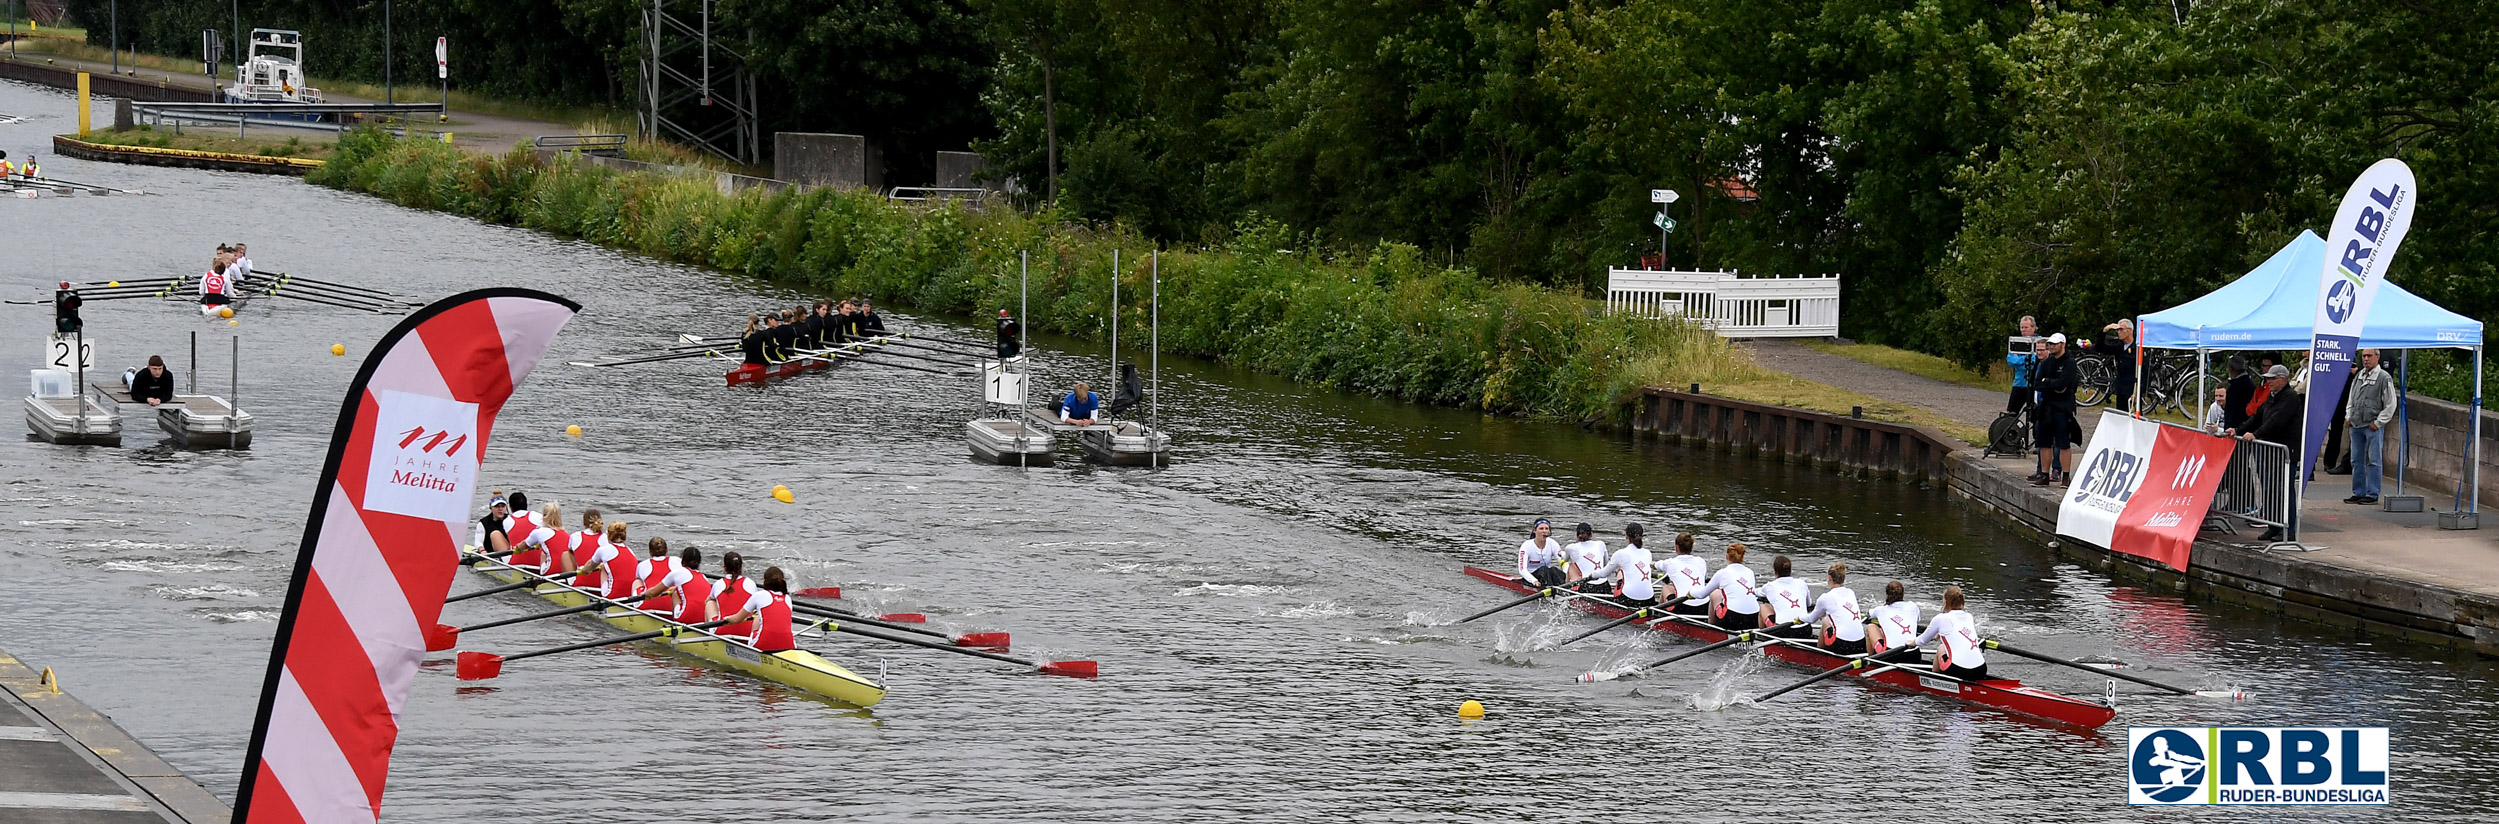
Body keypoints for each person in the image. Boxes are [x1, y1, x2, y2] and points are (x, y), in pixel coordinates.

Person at [2229, 364, 2305, 541]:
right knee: (2269, 490)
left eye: (2272, 378)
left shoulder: (2290, 398)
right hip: (2271, 450)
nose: (2268, 382)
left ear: (2282, 379)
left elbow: (2276, 421)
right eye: (2267, 378)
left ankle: (2289, 530)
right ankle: (2273, 526)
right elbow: (2257, 417)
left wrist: (2256, 434)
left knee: (2283, 490)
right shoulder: (2272, 397)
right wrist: (2238, 430)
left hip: (2285, 452)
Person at [2345, 349, 2398, 505]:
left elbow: (2390, 404)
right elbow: (2351, 398)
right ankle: (2358, 491)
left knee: (2374, 460)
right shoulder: (2359, 375)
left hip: (2371, 424)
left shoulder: (2383, 377)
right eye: (2364, 356)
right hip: (2356, 423)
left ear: (2377, 357)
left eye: (2369, 356)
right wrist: (2348, 416)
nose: (2366, 359)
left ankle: (2372, 493)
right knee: (2356, 460)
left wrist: (2379, 422)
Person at [2030, 333, 2079, 486]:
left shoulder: (2069, 363)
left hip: (2063, 408)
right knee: (2043, 442)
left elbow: (2064, 384)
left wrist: (2048, 383)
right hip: (2046, 406)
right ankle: (2044, 474)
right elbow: (2036, 383)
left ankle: (2065, 475)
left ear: (2062, 344)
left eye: (2054, 344)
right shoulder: (2046, 363)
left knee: (2063, 442)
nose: (2051, 346)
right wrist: (2052, 384)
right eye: (2050, 344)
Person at [1911, 585, 1988, 680]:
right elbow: (1958, 631)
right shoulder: (1969, 616)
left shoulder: (1941, 618)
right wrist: (1940, 633)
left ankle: (1933, 679)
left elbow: (1922, 641)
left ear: (1946, 601)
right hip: (1981, 669)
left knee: (1941, 648)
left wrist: (1911, 643)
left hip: (1959, 670)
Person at [719, 566, 798, 652]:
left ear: (765, 581)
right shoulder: (787, 598)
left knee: (757, 617)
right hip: (789, 646)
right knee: (760, 616)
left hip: (762, 645)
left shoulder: (759, 595)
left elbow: (736, 620)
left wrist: (726, 619)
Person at [1688, 542, 1761, 630]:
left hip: (1732, 619)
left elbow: (1701, 595)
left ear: (1727, 557)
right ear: (1742, 558)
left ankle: (1711, 626)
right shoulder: (1750, 572)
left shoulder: (1722, 573)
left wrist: (1690, 593)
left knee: (1715, 593)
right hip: (1753, 619)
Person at [1798, 563, 1867, 654]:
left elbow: (1811, 619)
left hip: (1842, 644)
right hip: (1860, 643)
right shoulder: (1851, 592)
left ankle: (1819, 653)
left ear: (1829, 578)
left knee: (1826, 620)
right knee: (1830, 619)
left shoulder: (1826, 597)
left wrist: (1799, 618)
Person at [1585, 524, 1657, 607]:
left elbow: (1604, 574)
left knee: (1620, 572)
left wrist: (1592, 575)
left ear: (1626, 536)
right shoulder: (1648, 553)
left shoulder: (1620, 554)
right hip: (1650, 600)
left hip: (1629, 600)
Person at [1865, 581, 1922, 664]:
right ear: (1903, 594)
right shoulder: (1913, 606)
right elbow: (1917, 621)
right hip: (1914, 655)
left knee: (1871, 627)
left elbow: (1869, 614)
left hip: (1891, 656)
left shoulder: (1880, 610)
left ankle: (1871, 660)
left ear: (1887, 595)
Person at [1757, 555, 1813, 638]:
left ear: (1775, 572)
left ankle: (1762, 637)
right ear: (1790, 570)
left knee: (1763, 607)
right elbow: (1809, 604)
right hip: (1805, 630)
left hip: (1783, 631)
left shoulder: (1770, 586)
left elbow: (1756, 592)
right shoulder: (1801, 583)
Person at [629, 537, 688, 613]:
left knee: (637, 582)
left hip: (647, 606)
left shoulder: (643, 565)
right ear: (667, 550)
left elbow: (637, 577)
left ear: (649, 552)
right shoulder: (677, 561)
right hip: (671, 607)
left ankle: (635, 606)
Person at [1660, 532, 1711, 617]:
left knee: (1666, 588)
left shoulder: (1671, 563)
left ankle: (1658, 615)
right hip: (1704, 608)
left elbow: (1655, 565)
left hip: (1683, 608)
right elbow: (1704, 578)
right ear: (1692, 547)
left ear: (1676, 547)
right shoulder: (1701, 561)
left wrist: (1651, 564)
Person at [2100, 319, 2138, 412]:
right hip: (2121, 387)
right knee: (2120, 416)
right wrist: (2105, 330)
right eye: (2117, 330)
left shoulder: (2137, 349)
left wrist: (2138, 392)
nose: (2118, 332)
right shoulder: (2120, 347)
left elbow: (2144, 372)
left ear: (2129, 330)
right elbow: (2100, 347)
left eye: (2121, 329)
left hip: (2132, 389)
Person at [1515, 519, 1566, 587]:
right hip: (1531, 578)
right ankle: (1551, 591)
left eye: (1546, 529)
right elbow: (1522, 569)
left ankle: (1565, 588)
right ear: (1534, 530)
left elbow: (1563, 561)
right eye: (1541, 529)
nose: (1544, 531)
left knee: (1554, 570)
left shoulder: (1552, 543)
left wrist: (1568, 574)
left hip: (1547, 577)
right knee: (1544, 569)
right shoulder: (1526, 546)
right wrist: (1533, 580)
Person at [2005, 316, 2039, 415]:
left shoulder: (2040, 342)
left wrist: (2019, 360)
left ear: (2033, 328)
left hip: (2035, 384)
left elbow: (2034, 362)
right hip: (2019, 383)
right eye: (2021, 327)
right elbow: (2010, 360)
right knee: (2011, 413)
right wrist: (2025, 359)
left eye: (2026, 327)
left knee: (2035, 415)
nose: (2023, 330)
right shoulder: (2016, 341)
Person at [559, 507, 605, 578]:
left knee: (566, 554)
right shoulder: (606, 538)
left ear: (583, 522)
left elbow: (570, 553)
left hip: (579, 583)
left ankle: (570, 578)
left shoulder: (575, 536)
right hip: (601, 584)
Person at [1560, 523, 1607, 589]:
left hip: (1587, 585)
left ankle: (1567, 588)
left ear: (1577, 536)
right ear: (1591, 534)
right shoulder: (1601, 544)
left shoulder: (1571, 547)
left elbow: (1565, 560)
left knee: (1571, 565)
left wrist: (1561, 553)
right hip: (1604, 584)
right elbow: (1606, 564)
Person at [530, 503, 572, 575]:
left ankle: (541, 575)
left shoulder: (540, 531)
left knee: (543, 553)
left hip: (550, 573)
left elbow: (523, 546)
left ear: (544, 516)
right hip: (565, 572)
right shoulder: (567, 534)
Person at [2223, 355, 2256, 433]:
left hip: (2237, 430)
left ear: (2231, 369)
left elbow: (2232, 410)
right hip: (2246, 427)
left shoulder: (2236, 387)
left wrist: (2229, 428)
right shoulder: (2250, 383)